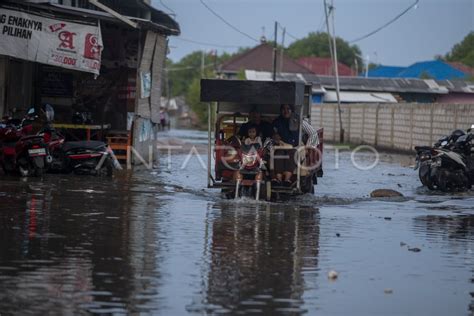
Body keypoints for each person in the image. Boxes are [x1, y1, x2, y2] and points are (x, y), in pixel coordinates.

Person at [271, 104, 319, 186]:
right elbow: (272, 134)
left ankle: (287, 180)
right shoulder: (277, 121)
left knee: (293, 154)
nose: (286, 111)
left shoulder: (299, 120)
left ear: (292, 110)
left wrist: (308, 147)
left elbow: (313, 133)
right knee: (278, 154)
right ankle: (278, 180)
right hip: (282, 145)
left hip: (296, 146)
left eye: (288, 109)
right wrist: (275, 136)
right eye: (283, 109)